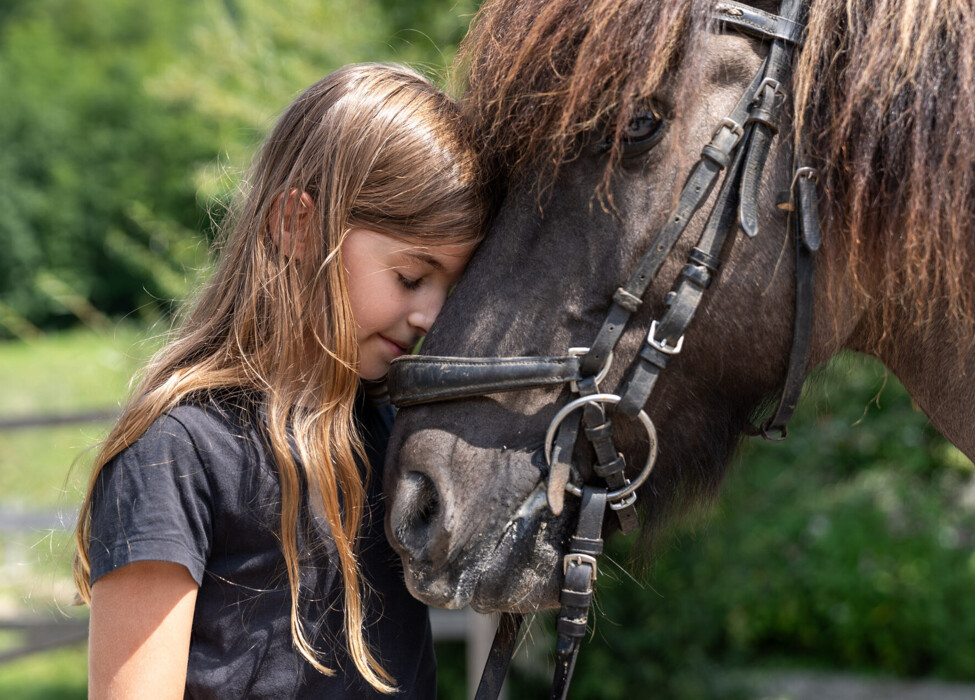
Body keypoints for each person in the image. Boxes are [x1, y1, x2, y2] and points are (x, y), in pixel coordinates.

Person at [72, 63, 486, 699]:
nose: (430, 315)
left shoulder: (395, 438)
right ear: (296, 224)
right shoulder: (175, 454)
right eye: (410, 276)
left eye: (446, 290)